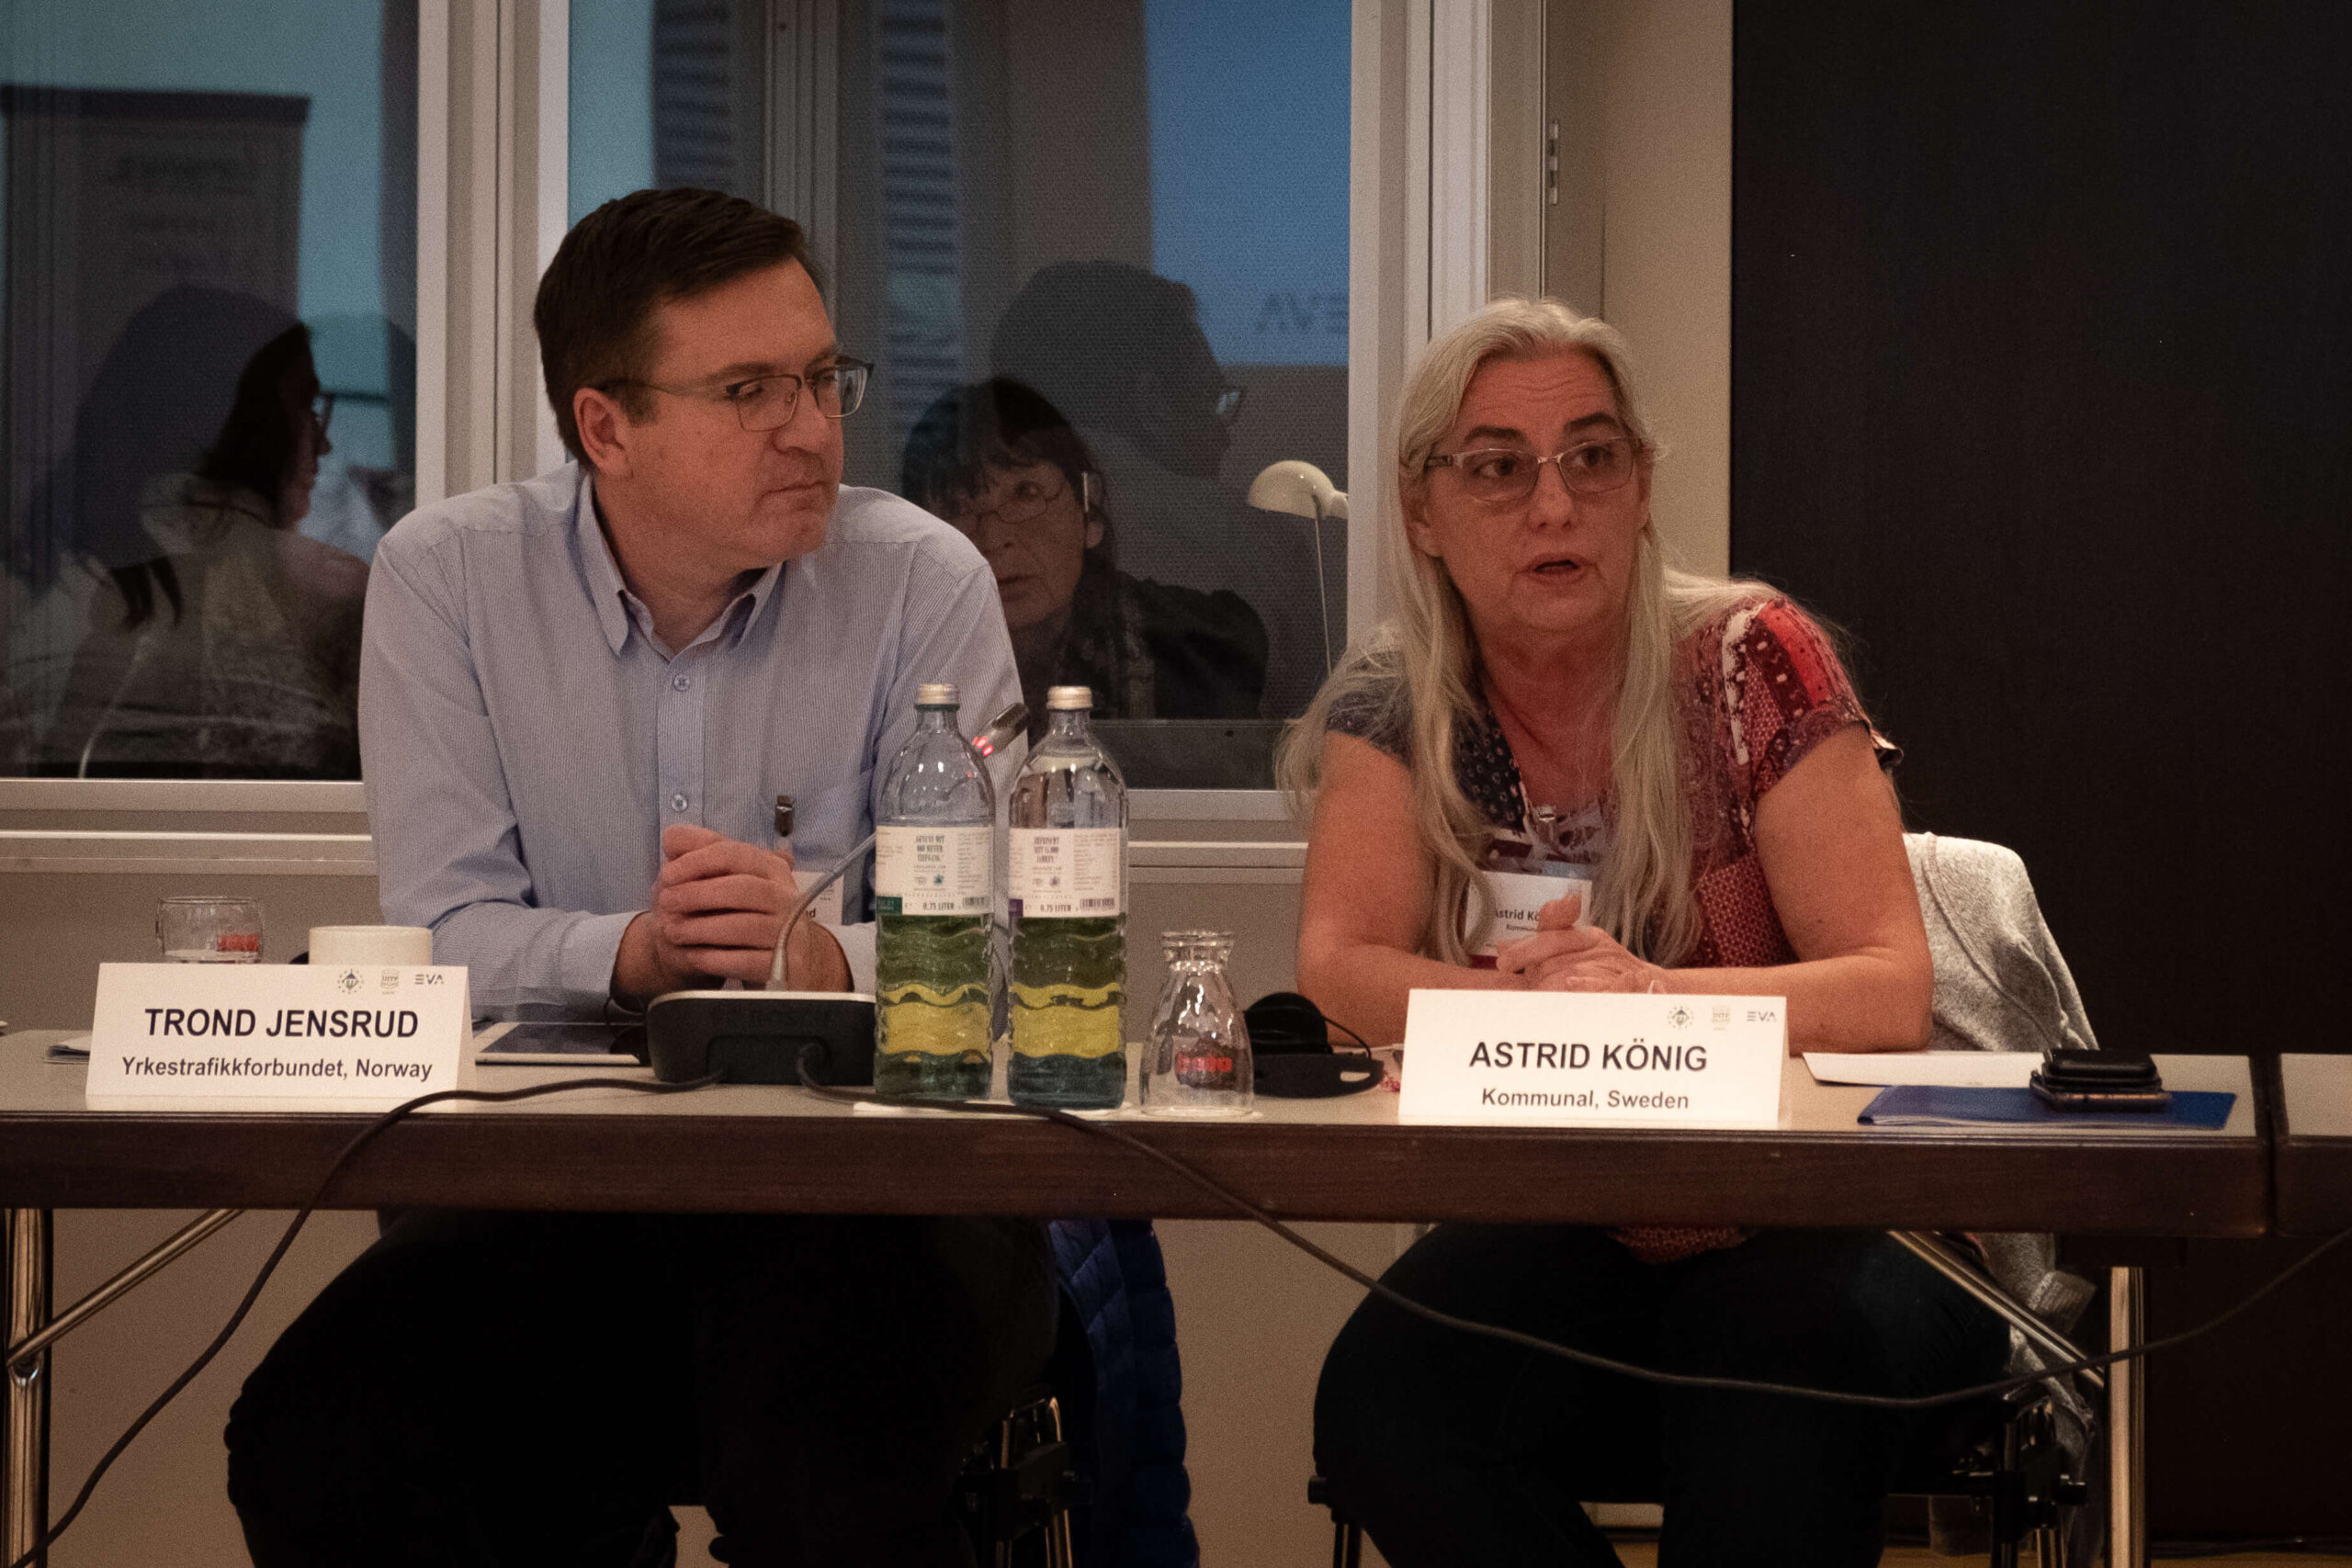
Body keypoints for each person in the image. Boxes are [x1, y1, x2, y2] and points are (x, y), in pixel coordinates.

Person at [223, 189, 1056, 1567]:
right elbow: (438, 930)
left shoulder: (922, 581)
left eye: (821, 378)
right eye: (748, 391)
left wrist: (821, 957)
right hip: (555, 1199)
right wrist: (632, 955)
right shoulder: (449, 578)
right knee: (321, 1442)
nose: (811, 427)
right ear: (606, 427)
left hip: (875, 1193)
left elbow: (1017, 950)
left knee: (818, 1455)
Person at [1286, 298, 2008, 1566]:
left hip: (1831, 1215)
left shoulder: (1751, 660)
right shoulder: (1397, 701)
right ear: (1421, 510)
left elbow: (1889, 990)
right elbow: (1340, 967)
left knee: (1767, 1371)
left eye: (1592, 456)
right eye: (1498, 468)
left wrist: (1650, 1003)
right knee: (1386, 1404)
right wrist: (1538, 1012)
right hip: (1580, 1217)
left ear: (1641, 486)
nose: (1553, 504)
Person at [36, 299, 366, 777]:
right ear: (245, 423)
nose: (324, 441)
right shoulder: (323, 587)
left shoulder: (84, 582)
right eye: (304, 407)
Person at [990, 261, 1333, 718]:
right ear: (1152, 400)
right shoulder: (1259, 547)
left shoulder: (960, 545)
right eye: (1211, 400)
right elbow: (1313, 733)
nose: (1223, 435)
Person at [899, 378, 1267, 741]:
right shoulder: (897, 665)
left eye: (1026, 493)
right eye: (958, 507)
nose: (994, 539)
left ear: (1089, 515)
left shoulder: (1197, 657)